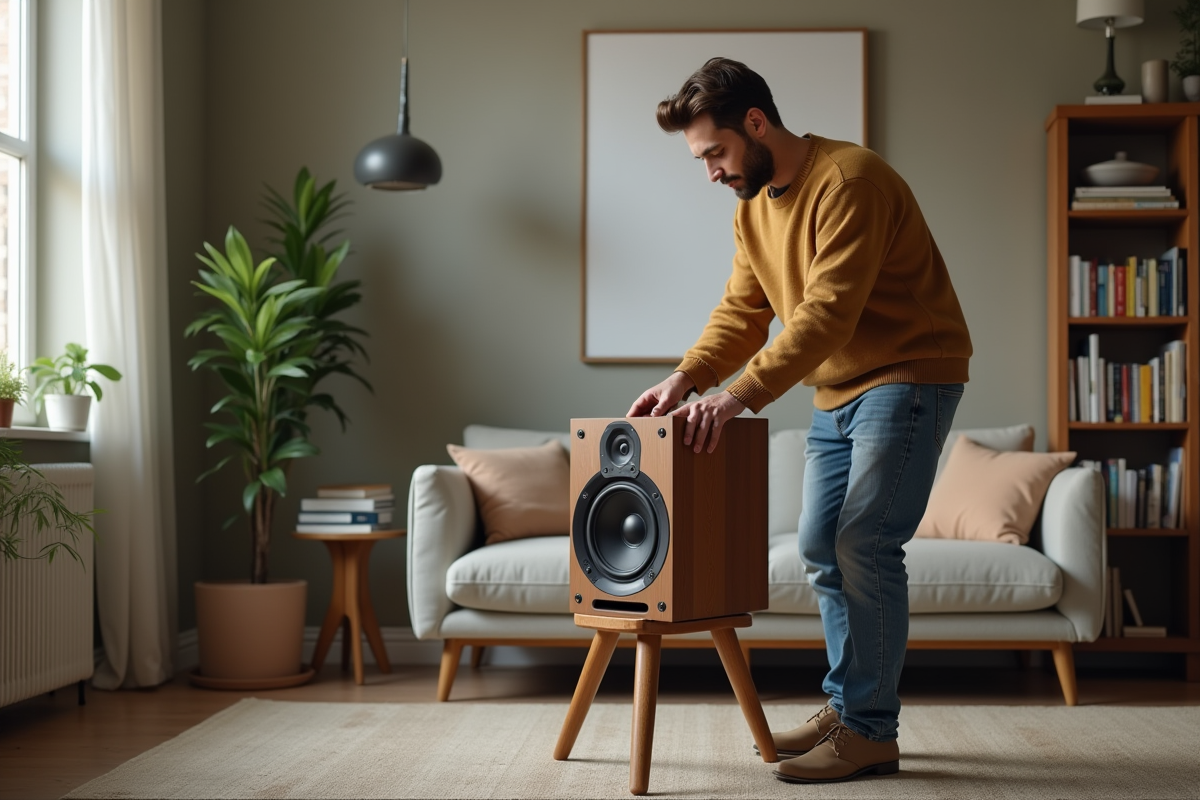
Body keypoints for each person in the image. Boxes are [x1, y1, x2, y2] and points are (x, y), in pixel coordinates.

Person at [626, 57, 973, 784]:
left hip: (906, 376)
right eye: (702, 160)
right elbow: (744, 312)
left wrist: (737, 397)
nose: (712, 172)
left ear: (756, 124)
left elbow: (824, 314)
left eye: (715, 154)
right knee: (820, 544)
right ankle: (849, 705)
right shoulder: (754, 207)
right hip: (836, 392)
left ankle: (870, 730)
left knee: (864, 542)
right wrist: (688, 377)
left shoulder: (851, 180)